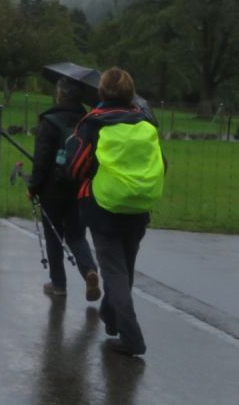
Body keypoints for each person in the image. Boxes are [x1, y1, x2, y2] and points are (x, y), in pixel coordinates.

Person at [67, 67, 166, 357]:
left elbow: (75, 168)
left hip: (105, 208)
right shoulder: (145, 123)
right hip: (139, 206)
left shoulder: (95, 124)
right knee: (124, 268)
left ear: (101, 92)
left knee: (114, 274)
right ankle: (111, 318)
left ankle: (132, 338)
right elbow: (163, 163)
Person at [28, 77, 100, 300]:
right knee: (77, 235)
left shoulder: (49, 120)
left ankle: (58, 284)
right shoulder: (88, 121)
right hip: (80, 188)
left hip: (51, 190)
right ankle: (89, 270)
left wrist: (33, 186)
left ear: (61, 94)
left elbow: (41, 159)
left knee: (54, 236)